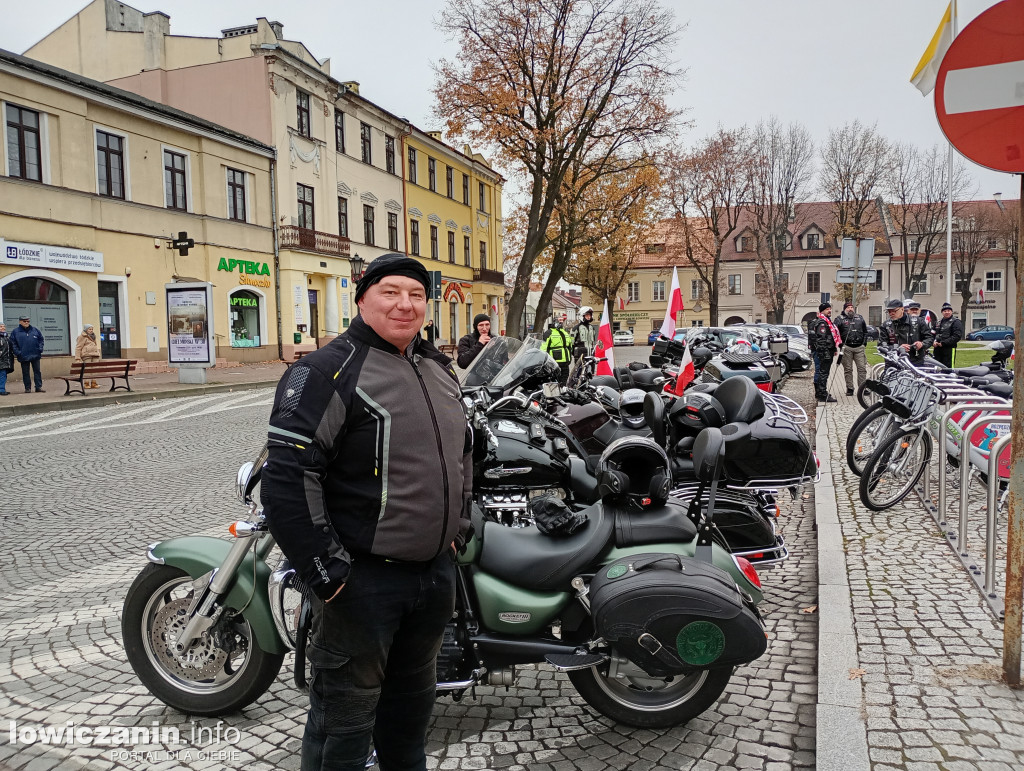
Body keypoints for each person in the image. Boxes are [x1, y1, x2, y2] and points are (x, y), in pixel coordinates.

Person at [260, 253, 472, 771]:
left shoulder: (439, 369)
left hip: (430, 577)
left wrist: (458, 531)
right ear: (362, 298)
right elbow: (288, 477)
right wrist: (326, 573)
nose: (405, 304)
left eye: (416, 295)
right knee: (343, 729)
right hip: (360, 583)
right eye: (391, 292)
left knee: (409, 718)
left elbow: (463, 455)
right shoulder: (326, 370)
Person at [881, 298, 934, 365]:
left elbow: (930, 338)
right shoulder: (886, 325)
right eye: (889, 311)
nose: (891, 313)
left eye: (894, 311)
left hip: (915, 361)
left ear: (902, 309)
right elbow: (881, 345)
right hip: (894, 362)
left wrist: (922, 344)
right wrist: (898, 348)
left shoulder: (918, 321)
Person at [809, 302, 841, 403]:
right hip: (825, 352)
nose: (830, 310)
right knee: (823, 373)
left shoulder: (828, 321)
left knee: (824, 373)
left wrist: (834, 349)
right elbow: (821, 339)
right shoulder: (822, 322)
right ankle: (822, 394)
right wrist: (824, 353)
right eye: (827, 309)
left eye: (830, 308)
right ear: (822, 311)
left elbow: (830, 337)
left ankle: (820, 392)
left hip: (829, 350)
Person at [834, 301, 868, 396]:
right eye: (848, 307)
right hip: (847, 347)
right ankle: (850, 388)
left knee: (862, 368)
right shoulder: (839, 319)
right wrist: (840, 345)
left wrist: (864, 343)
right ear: (844, 309)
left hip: (859, 347)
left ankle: (862, 388)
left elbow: (865, 331)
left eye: (851, 307)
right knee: (848, 369)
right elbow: (835, 333)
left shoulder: (859, 318)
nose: (850, 309)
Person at [10, 315, 45, 393]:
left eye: (28, 321)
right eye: (24, 321)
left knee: (37, 371)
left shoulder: (35, 330)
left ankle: (38, 387)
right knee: (25, 372)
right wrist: (18, 353)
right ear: (20, 322)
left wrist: (40, 349)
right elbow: (13, 343)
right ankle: (27, 388)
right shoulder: (15, 332)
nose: (26, 323)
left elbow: (41, 340)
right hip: (23, 355)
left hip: (35, 354)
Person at [932, 302, 964, 368]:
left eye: (949, 311)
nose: (947, 312)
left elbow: (957, 336)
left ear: (951, 312)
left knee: (948, 369)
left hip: (949, 349)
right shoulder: (937, 322)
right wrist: (933, 341)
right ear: (942, 312)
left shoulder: (956, 322)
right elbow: (932, 333)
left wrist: (943, 343)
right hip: (937, 349)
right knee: (937, 368)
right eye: (945, 311)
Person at [74, 324, 101, 389]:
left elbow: (95, 345)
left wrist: (97, 352)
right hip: (87, 355)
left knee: (94, 369)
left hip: (95, 355)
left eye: (92, 329)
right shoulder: (82, 337)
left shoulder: (93, 336)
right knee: (87, 369)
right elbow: (78, 347)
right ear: (86, 330)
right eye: (89, 329)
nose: (91, 330)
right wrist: (77, 358)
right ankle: (86, 383)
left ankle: (94, 383)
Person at [0, 322, 13, 395]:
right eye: (1, 326)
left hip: (5, 360)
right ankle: (1, 390)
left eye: (3, 326)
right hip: (1, 359)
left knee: (3, 375)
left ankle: (2, 388)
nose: (3, 328)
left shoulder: (6, 337)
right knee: (2, 375)